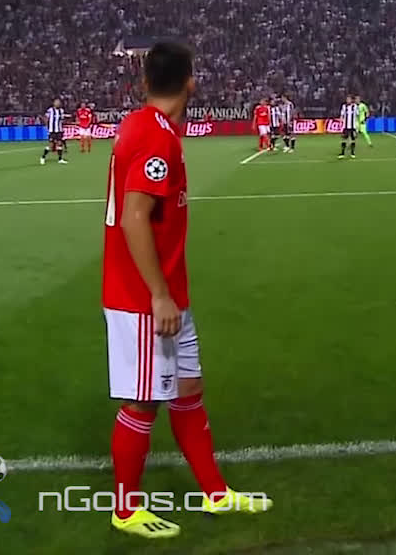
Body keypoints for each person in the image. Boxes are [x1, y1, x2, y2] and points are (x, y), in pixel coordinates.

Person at [103, 41, 272, 540]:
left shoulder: (144, 126)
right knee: (143, 402)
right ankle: (125, 509)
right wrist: (157, 294)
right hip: (143, 297)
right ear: (191, 82)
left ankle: (215, 493)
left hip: (169, 293)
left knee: (188, 389)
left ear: (144, 82)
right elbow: (134, 217)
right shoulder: (155, 138)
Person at [42, 98, 67, 164]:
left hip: (59, 130)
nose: (58, 103)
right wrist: (47, 126)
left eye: (59, 102)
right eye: (56, 102)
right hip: (52, 130)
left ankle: (60, 159)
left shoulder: (61, 111)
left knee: (60, 144)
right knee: (51, 145)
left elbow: (62, 119)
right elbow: (46, 118)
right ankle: (43, 157)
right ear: (54, 103)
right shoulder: (50, 110)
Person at [338, 94, 359, 159]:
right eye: (347, 99)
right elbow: (342, 115)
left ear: (351, 100)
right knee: (344, 139)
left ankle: (352, 153)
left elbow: (357, 115)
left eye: (349, 99)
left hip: (353, 126)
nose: (348, 100)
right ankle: (342, 153)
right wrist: (341, 120)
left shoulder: (355, 106)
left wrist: (357, 126)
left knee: (353, 140)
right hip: (346, 126)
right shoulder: (344, 106)